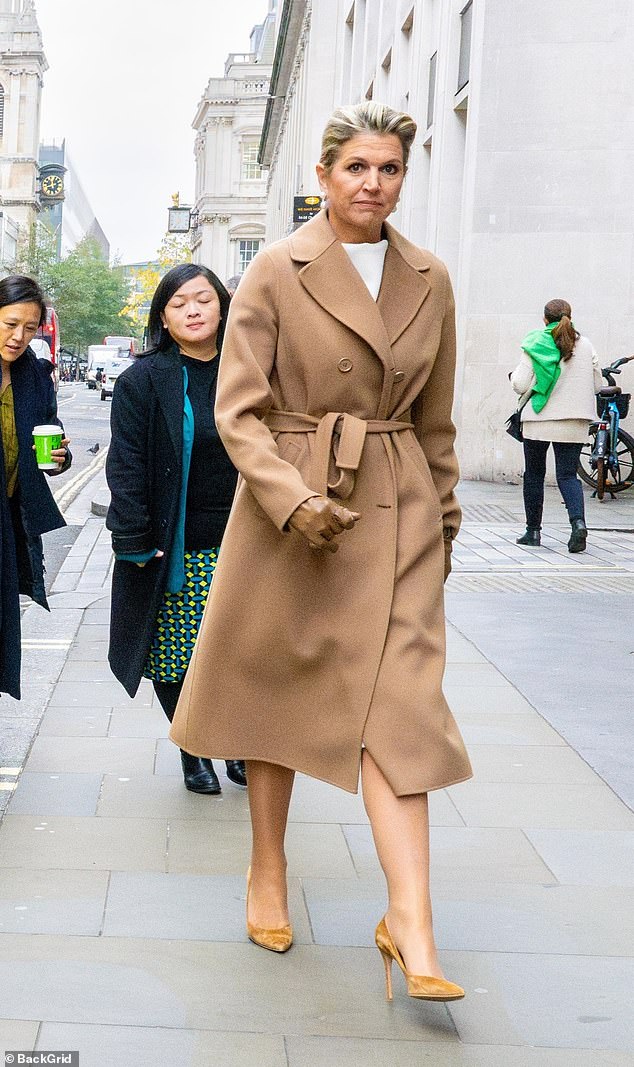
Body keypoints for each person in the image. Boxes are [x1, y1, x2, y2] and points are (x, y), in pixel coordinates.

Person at [170, 103, 472, 1002]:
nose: (372, 184)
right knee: (278, 689)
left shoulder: (432, 277)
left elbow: (438, 419)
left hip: (399, 508)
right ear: (326, 172)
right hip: (295, 505)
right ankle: (268, 867)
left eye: (389, 169)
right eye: (356, 168)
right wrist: (293, 497)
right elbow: (238, 410)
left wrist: (444, 522)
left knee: (405, 708)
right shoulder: (276, 267)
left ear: (401, 179)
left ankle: (411, 924)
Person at [106, 264, 246, 795]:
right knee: (177, 652)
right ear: (163, 317)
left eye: (204, 300)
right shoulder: (143, 380)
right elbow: (126, 464)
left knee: (237, 651)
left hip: (243, 540)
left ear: (222, 308)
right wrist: (133, 538)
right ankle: (193, 747)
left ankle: (234, 742)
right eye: (179, 302)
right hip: (177, 541)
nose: (193, 310)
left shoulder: (248, 370)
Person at [0, 275, 71, 699]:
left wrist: (60, 457)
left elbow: (50, 428)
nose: (18, 336)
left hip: (9, 526)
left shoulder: (34, 374)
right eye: (10, 324)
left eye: (29, 328)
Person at [511, 298, 603, 553]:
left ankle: (533, 532)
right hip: (575, 421)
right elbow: (597, 385)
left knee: (534, 475)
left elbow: (520, 383)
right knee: (567, 476)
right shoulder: (585, 345)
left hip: (538, 421)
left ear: (544, 319)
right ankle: (578, 524)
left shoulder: (535, 342)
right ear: (570, 317)